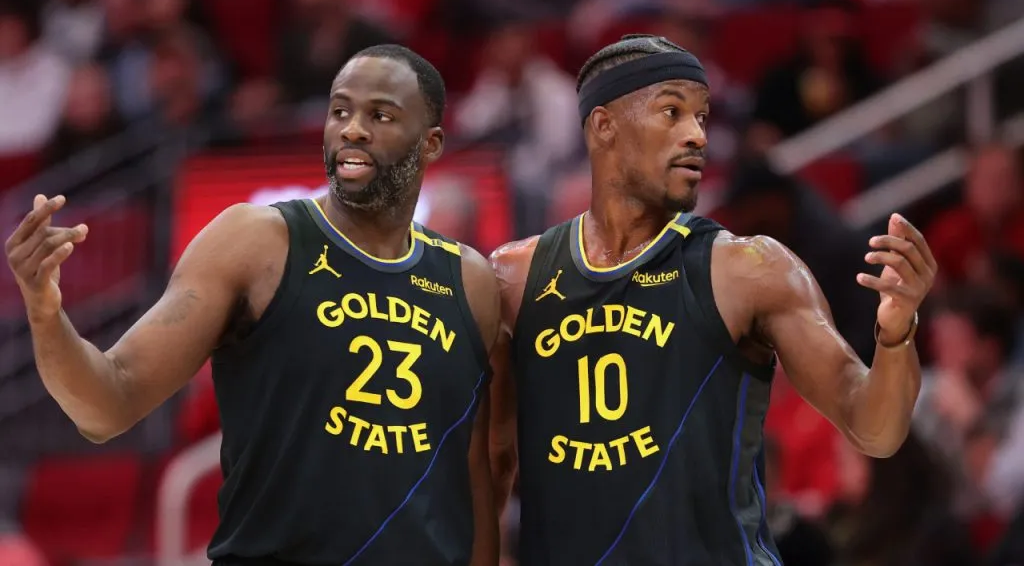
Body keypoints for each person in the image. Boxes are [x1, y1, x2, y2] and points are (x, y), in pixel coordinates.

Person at [5, 44, 501, 566]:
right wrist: (44, 312)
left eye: (380, 114)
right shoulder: (256, 241)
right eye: (340, 111)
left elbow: (472, 477)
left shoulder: (468, 280)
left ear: (431, 144)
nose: (352, 129)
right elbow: (108, 404)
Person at [487, 34, 937, 565]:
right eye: (672, 112)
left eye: (701, 117)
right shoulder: (514, 278)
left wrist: (896, 330)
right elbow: (491, 465)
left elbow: (876, 429)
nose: (696, 135)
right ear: (604, 126)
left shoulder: (752, 270)